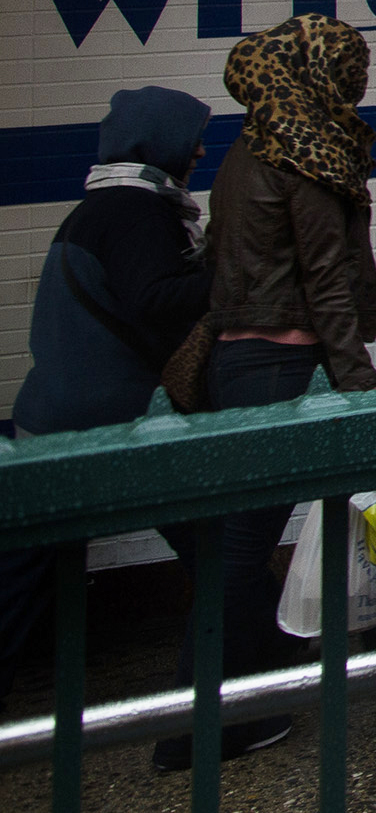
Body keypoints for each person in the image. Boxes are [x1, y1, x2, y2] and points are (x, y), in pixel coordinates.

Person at [174, 13, 376, 770]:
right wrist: (361, 389)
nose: (358, 84)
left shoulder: (249, 149)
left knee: (233, 547)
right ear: (320, 74)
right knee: (238, 552)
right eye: (350, 69)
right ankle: (195, 727)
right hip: (271, 362)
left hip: (246, 355)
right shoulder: (304, 156)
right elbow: (324, 281)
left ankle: (206, 714)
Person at [0, 89, 215, 702]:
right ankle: (230, 694)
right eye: (190, 136)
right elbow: (155, 300)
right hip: (120, 424)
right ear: (159, 141)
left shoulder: (96, 208)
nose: (200, 149)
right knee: (222, 551)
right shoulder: (136, 213)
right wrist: (228, 273)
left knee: (24, 576)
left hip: (52, 418)